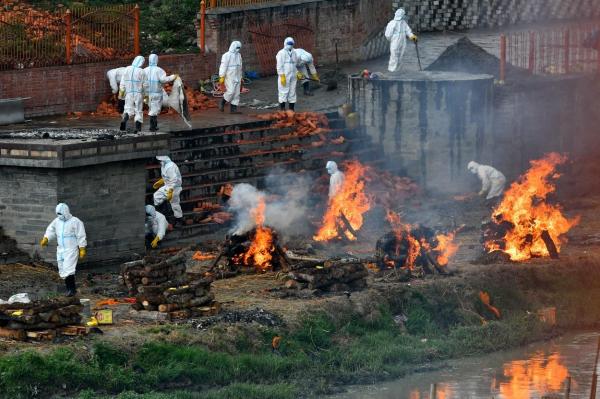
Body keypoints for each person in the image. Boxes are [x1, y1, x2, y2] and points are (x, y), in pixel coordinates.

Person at [40, 203, 87, 297]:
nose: (59, 216)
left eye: (60, 214)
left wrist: (82, 247)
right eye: (57, 214)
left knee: (69, 269)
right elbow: (51, 230)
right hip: (61, 250)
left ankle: (72, 290)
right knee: (62, 270)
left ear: (65, 212)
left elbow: (81, 235)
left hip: (71, 249)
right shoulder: (57, 221)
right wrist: (46, 238)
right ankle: (69, 289)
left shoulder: (76, 222)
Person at [143, 53, 177, 132]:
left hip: (146, 94)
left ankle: (154, 125)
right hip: (156, 94)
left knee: (150, 107)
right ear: (156, 60)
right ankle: (153, 127)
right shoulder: (159, 70)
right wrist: (173, 77)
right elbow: (163, 80)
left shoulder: (144, 70)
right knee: (155, 110)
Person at [384, 8, 417, 72]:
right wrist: (392, 39)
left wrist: (412, 37)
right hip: (395, 40)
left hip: (402, 39)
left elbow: (408, 31)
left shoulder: (403, 23)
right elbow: (388, 34)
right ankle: (392, 69)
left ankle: (398, 69)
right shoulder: (392, 23)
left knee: (401, 54)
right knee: (394, 54)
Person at [153, 155, 183, 225]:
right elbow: (166, 176)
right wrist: (161, 181)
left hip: (174, 187)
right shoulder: (164, 165)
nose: (159, 162)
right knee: (156, 196)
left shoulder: (170, 167)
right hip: (167, 185)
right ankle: (162, 213)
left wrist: (170, 191)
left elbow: (174, 180)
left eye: (159, 161)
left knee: (174, 204)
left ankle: (179, 220)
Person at [119, 55, 145, 132]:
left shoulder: (127, 69)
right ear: (141, 62)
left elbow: (122, 83)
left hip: (128, 93)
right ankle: (138, 127)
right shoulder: (141, 71)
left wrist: (121, 94)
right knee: (138, 110)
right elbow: (146, 85)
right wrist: (146, 96)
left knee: (128, 108)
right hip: (138, 94)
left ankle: (125, 118)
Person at [218, 41, 243, 114]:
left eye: (239, 48)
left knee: (236, 93)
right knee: (230, 91)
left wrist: (241, 78)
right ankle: (222, 102)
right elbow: (223, 67)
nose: (238, 49)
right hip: (229, 76)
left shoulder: (239, 55)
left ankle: (233, 109)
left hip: (237, 76)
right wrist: (221, 78)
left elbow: (240, 67)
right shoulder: (226, 55)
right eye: (237, 48)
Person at [276, 37, 299, 111]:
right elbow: (279, 66)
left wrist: (297, 72)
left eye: (291, 44)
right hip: (285, 76)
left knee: (292, 92)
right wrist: (282, 75)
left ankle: (291, 109)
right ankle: (282, 109)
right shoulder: (281, 53)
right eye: (289, 44)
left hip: (293, 76)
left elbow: (294, 64)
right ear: (285, 43)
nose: (290, 45)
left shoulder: (294, 52)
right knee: (283, 92)